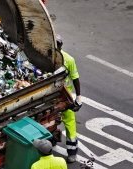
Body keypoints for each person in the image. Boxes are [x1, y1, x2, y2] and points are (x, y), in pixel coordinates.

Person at [56, 34, 82, 163]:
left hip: (65, 97)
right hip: (50, 96)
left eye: (58, 44)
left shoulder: (69, 60)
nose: (56, 46)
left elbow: (75, 78)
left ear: (61, 45)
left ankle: (72, 152)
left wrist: (78, 97)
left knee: (70, 124)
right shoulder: (46, 57)